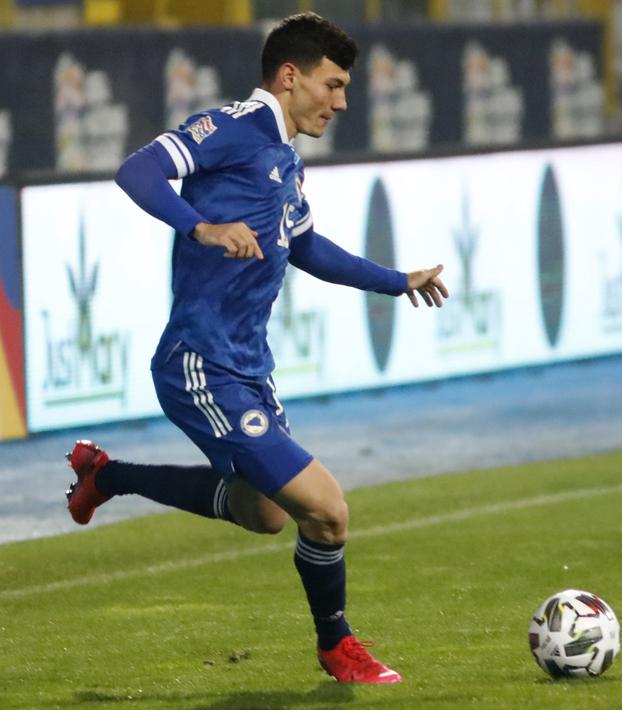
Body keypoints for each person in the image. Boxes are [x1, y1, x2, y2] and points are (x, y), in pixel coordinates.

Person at [64, 13, 448, 684]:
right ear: (289, 76)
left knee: (266, 513)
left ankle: (108, 475)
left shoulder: (283, 157)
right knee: (327, 510)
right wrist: (202, 225)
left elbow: (304, 246)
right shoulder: (233, 126)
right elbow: (139, 171)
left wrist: (396, 281)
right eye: (332, 85)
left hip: (247, 365)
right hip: (200, 362)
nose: (341, 101)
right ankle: (338, 646)